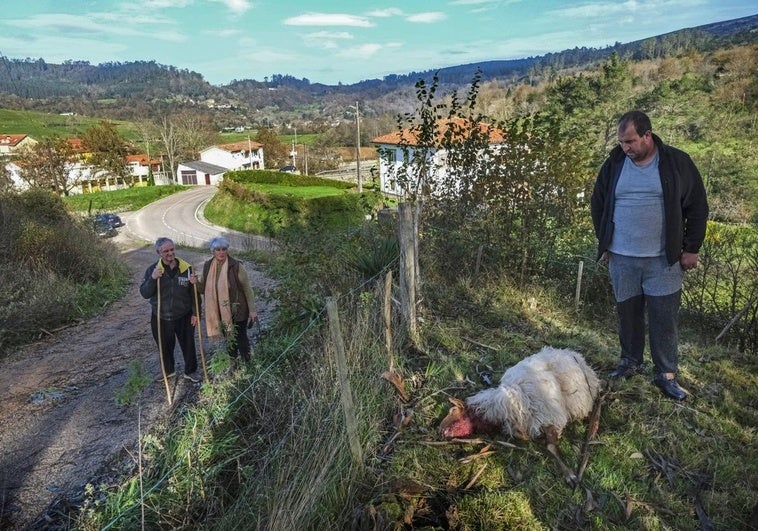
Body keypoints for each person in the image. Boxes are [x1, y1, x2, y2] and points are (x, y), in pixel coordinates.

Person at [591, 110, 709, 400]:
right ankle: (630, 362)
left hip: (663, 259)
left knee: (663, 318)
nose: (625, 147)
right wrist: (604, 242)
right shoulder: (615, 164)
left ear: (647, 135)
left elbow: (697, 206)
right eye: (621, 142)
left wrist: (691, 248)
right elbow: (599, 203)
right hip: (622, 257)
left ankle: (666, 374)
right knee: (627, 314)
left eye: (630, 141)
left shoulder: (675, 162)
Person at [139, 237, 200, 383]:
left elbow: (195, 294)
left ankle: (190, 371)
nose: (170, 253)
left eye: (172, 249)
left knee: (188, 344)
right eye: (166, 251)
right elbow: (145, 293)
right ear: (158, 252)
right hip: (161, 316)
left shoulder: (186, 268)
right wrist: (153, 278)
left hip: (184, 314)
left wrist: (196, 313)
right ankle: (169, 371)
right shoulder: (152, 270)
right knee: (164, 346)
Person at [198, 236, 258, 364]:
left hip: (238, 309)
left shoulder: (236, 266)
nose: (221, 252)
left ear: (227, 250)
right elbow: (203, 289)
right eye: (218, 249)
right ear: (213, 251)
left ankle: (248, 364)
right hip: (219, 310)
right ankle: (234, 365)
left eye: (224, 249)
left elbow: (247, 289)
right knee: (229, 339)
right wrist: (194, 283)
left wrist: (252, 310)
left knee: (241, 338)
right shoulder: (208, 266)